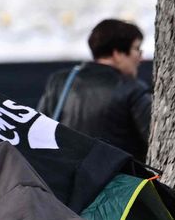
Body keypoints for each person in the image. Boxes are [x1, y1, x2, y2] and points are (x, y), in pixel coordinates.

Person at [36, 18, 153, 161]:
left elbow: (38, 133)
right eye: (137, 49)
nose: (140, 58)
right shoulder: (133, 89)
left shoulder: (61, 81)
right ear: (117, 53)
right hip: (118, 180)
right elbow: (155, 138)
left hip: (66, 178)